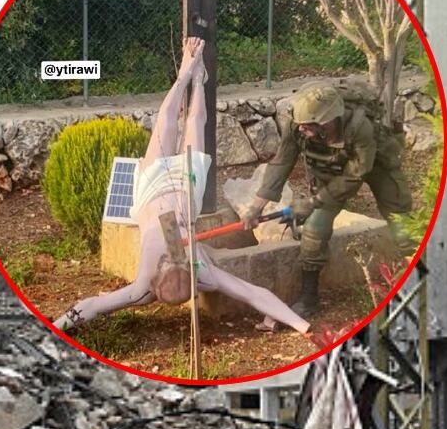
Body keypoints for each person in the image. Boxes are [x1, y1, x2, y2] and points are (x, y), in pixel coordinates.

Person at [57, 38, 309, 337]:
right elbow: (254, 293)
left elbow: (92, 306)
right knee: (192, 123)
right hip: (184, 186)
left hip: (152, 186)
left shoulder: (147, 286)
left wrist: (59, 324)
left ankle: (187, 76)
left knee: (168, 125)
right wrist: (301, 325)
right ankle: (195, 79)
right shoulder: (203, 276)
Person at [238, 82, 412, 318]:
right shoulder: (297, 123)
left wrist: (312, 202)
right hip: (332, 171)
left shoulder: (360, 127)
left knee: (400, 220)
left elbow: (355, 175)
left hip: (374, 164)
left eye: (307, 126)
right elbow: (281, 162)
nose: (300, 129)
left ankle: (417, 277)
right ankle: (309, 298)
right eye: (299, 124)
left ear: (326, 121)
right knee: (313, 230)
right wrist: (256, 208)